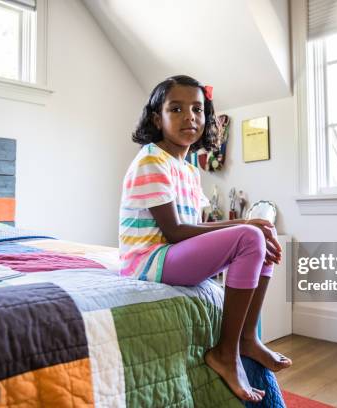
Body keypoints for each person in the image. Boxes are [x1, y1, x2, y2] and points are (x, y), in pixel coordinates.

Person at [119, 75, 292, 402]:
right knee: (251, 234)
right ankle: (226, 352)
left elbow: (196, 229)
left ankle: (246, 338)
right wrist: (245, 223)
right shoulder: (150, 159)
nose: (190, 117)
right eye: (177, 109)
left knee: (262, 235)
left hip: (174, 254)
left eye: (198, 109)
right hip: (149, 261)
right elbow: (175, 231)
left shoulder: (188, 169)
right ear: (158, 118)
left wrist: (251, 229)